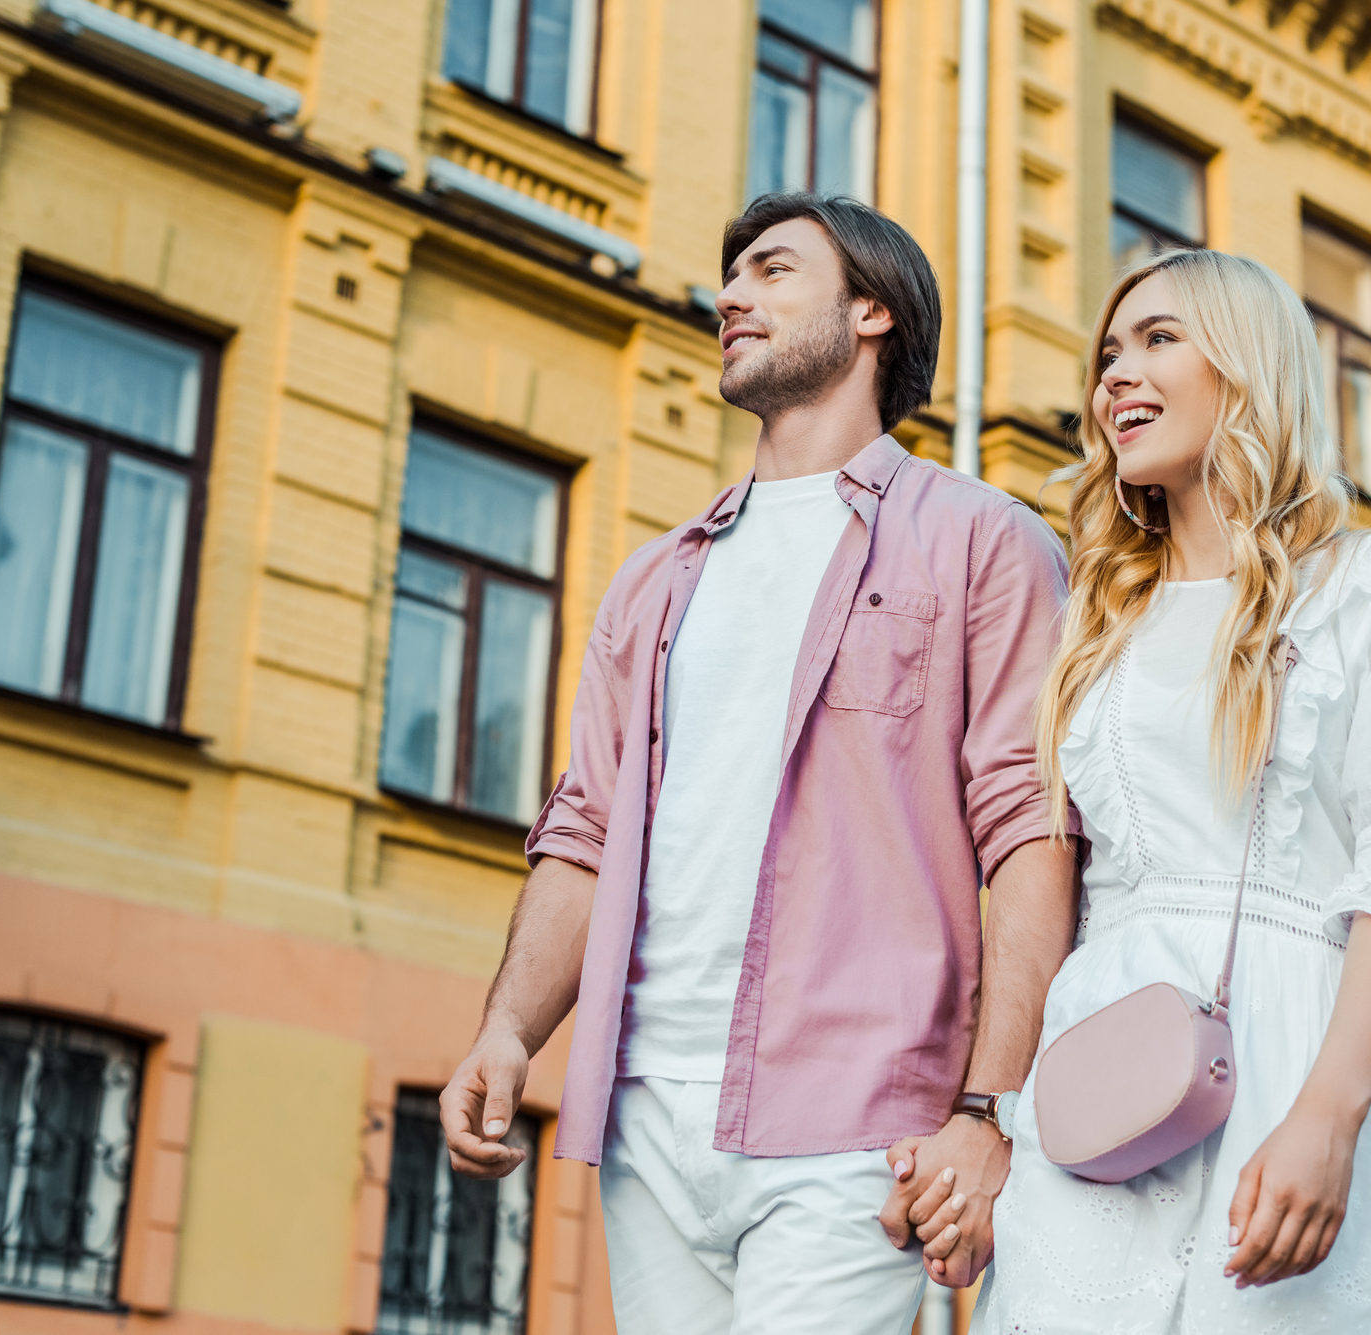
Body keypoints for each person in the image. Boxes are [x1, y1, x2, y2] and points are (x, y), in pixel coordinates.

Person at [436, 191, 1080, 1334]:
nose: (730, 296)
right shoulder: (654, 580)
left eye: (772, 270)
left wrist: (987, 1107)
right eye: (730, 276)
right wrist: (506, 1030)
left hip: (857, 1120)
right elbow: (583, 828)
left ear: (870, 309)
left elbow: (1030, 833)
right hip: (644, 1116)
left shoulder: (983, 539)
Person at [956, 248, 1371, 1333]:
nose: (1113, 377)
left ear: (1247, 367)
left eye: (1157, 340)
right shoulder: (1095, 626)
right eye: (1106, 353)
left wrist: (1328, 1118)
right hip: (1097, 1069)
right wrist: (1002, 1113)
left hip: (1294, 1039)